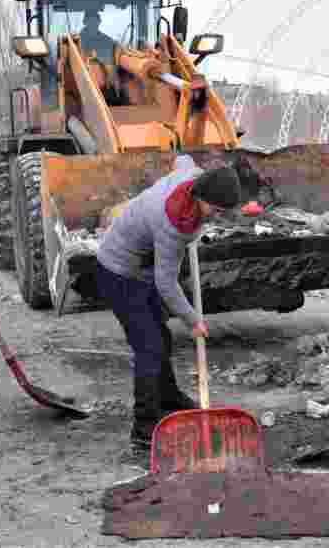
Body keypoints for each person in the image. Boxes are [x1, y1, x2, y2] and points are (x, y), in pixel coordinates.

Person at [95, 158, 244, 453]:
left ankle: (168, 396)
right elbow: (166, 283)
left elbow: (183, 160)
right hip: (118, 272)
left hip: (140, 268)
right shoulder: (174, 223)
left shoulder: (194, 177)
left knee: (160, 336)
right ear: (200, 197)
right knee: (148, 345)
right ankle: (144, 427)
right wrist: (193, 320)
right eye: (214, 210)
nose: (215, 217)